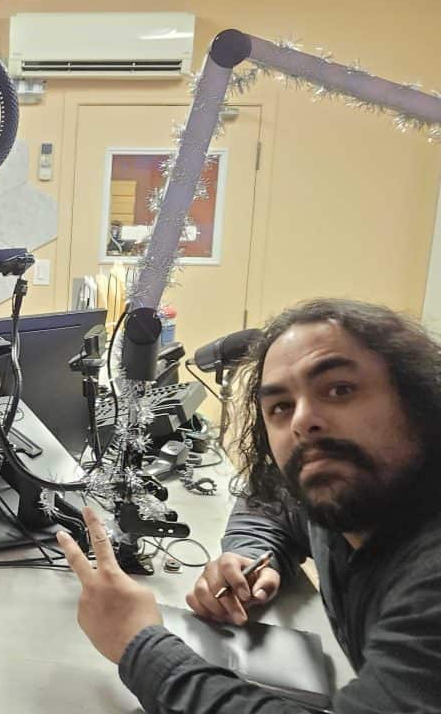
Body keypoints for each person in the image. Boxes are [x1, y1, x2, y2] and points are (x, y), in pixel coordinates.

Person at [57, 298, 441, 712]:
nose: (302, 421)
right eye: (281, 407)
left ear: (419, 400)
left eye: (340, 390)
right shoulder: (347, 492)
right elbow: (269, 502)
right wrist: (251, 555)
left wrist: (141, 646)